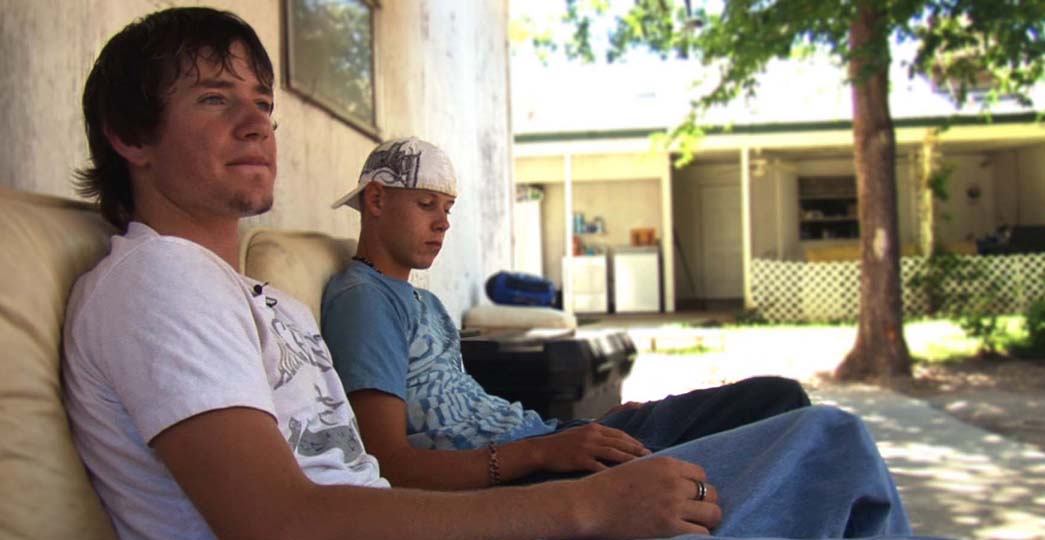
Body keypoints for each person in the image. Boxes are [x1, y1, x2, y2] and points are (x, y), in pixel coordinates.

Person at [62, 7, 1045, 540]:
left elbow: (362, 490)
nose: (257, 121)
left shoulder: (266, 300)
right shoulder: (153, 286)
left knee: (829, 447)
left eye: (263, 102)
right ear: (128, 137)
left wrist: (565, 500)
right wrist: (582, 506)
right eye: (216, 100)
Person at [322, 138, 810, 488]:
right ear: (377, 199)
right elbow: (387, 462)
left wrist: (577, 430)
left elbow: (465, 408)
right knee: (775, 434)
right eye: (427, 204)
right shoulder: (364, 300)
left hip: (552, 443)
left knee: (775, 398)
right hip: (534, 475)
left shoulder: (423, 301)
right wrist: (543, 451)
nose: (443, 223)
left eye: (448, 209)